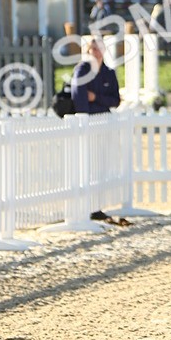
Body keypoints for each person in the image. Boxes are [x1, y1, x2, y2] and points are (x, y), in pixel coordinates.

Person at [71, 38, 127, 225]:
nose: (96, 52)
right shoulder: (82, 71)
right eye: (93, 49)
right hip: (87, 126)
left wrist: (96, 97)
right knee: (86, 166)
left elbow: (115, 101)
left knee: (101, 166)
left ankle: (96, 207)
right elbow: (80, 100)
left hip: (105, 125)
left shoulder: (108, 73)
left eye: (99, 49)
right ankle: (84, 207)